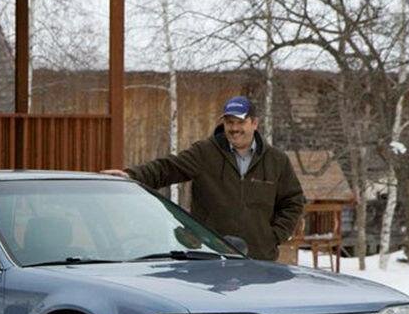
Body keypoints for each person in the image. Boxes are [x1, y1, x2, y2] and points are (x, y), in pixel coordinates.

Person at [102, 96, 305, 261]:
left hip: (259, 258)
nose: (234, 128)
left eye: (240, 122)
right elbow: (168, 168)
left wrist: (273, 236)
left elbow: (293, 201)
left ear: (254, 123)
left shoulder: (276, 160)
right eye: (229, 122)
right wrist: (131, 175)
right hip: (210, 256)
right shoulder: (206, 152)